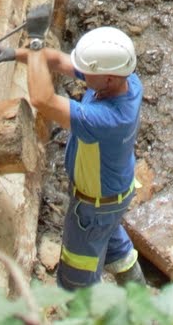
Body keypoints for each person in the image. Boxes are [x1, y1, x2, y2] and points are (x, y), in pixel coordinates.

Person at [20, 26, 145, 290]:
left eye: (89, 72)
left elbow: (42, 99)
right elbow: (59, 60)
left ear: (108, 78)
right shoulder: (127, 81)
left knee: (76, 283)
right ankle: (141, 301)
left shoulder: (107, 119)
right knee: (112, 243)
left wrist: (34, 44)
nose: (83, 75)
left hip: (93, 209)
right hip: (116, 195)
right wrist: (11, 53)